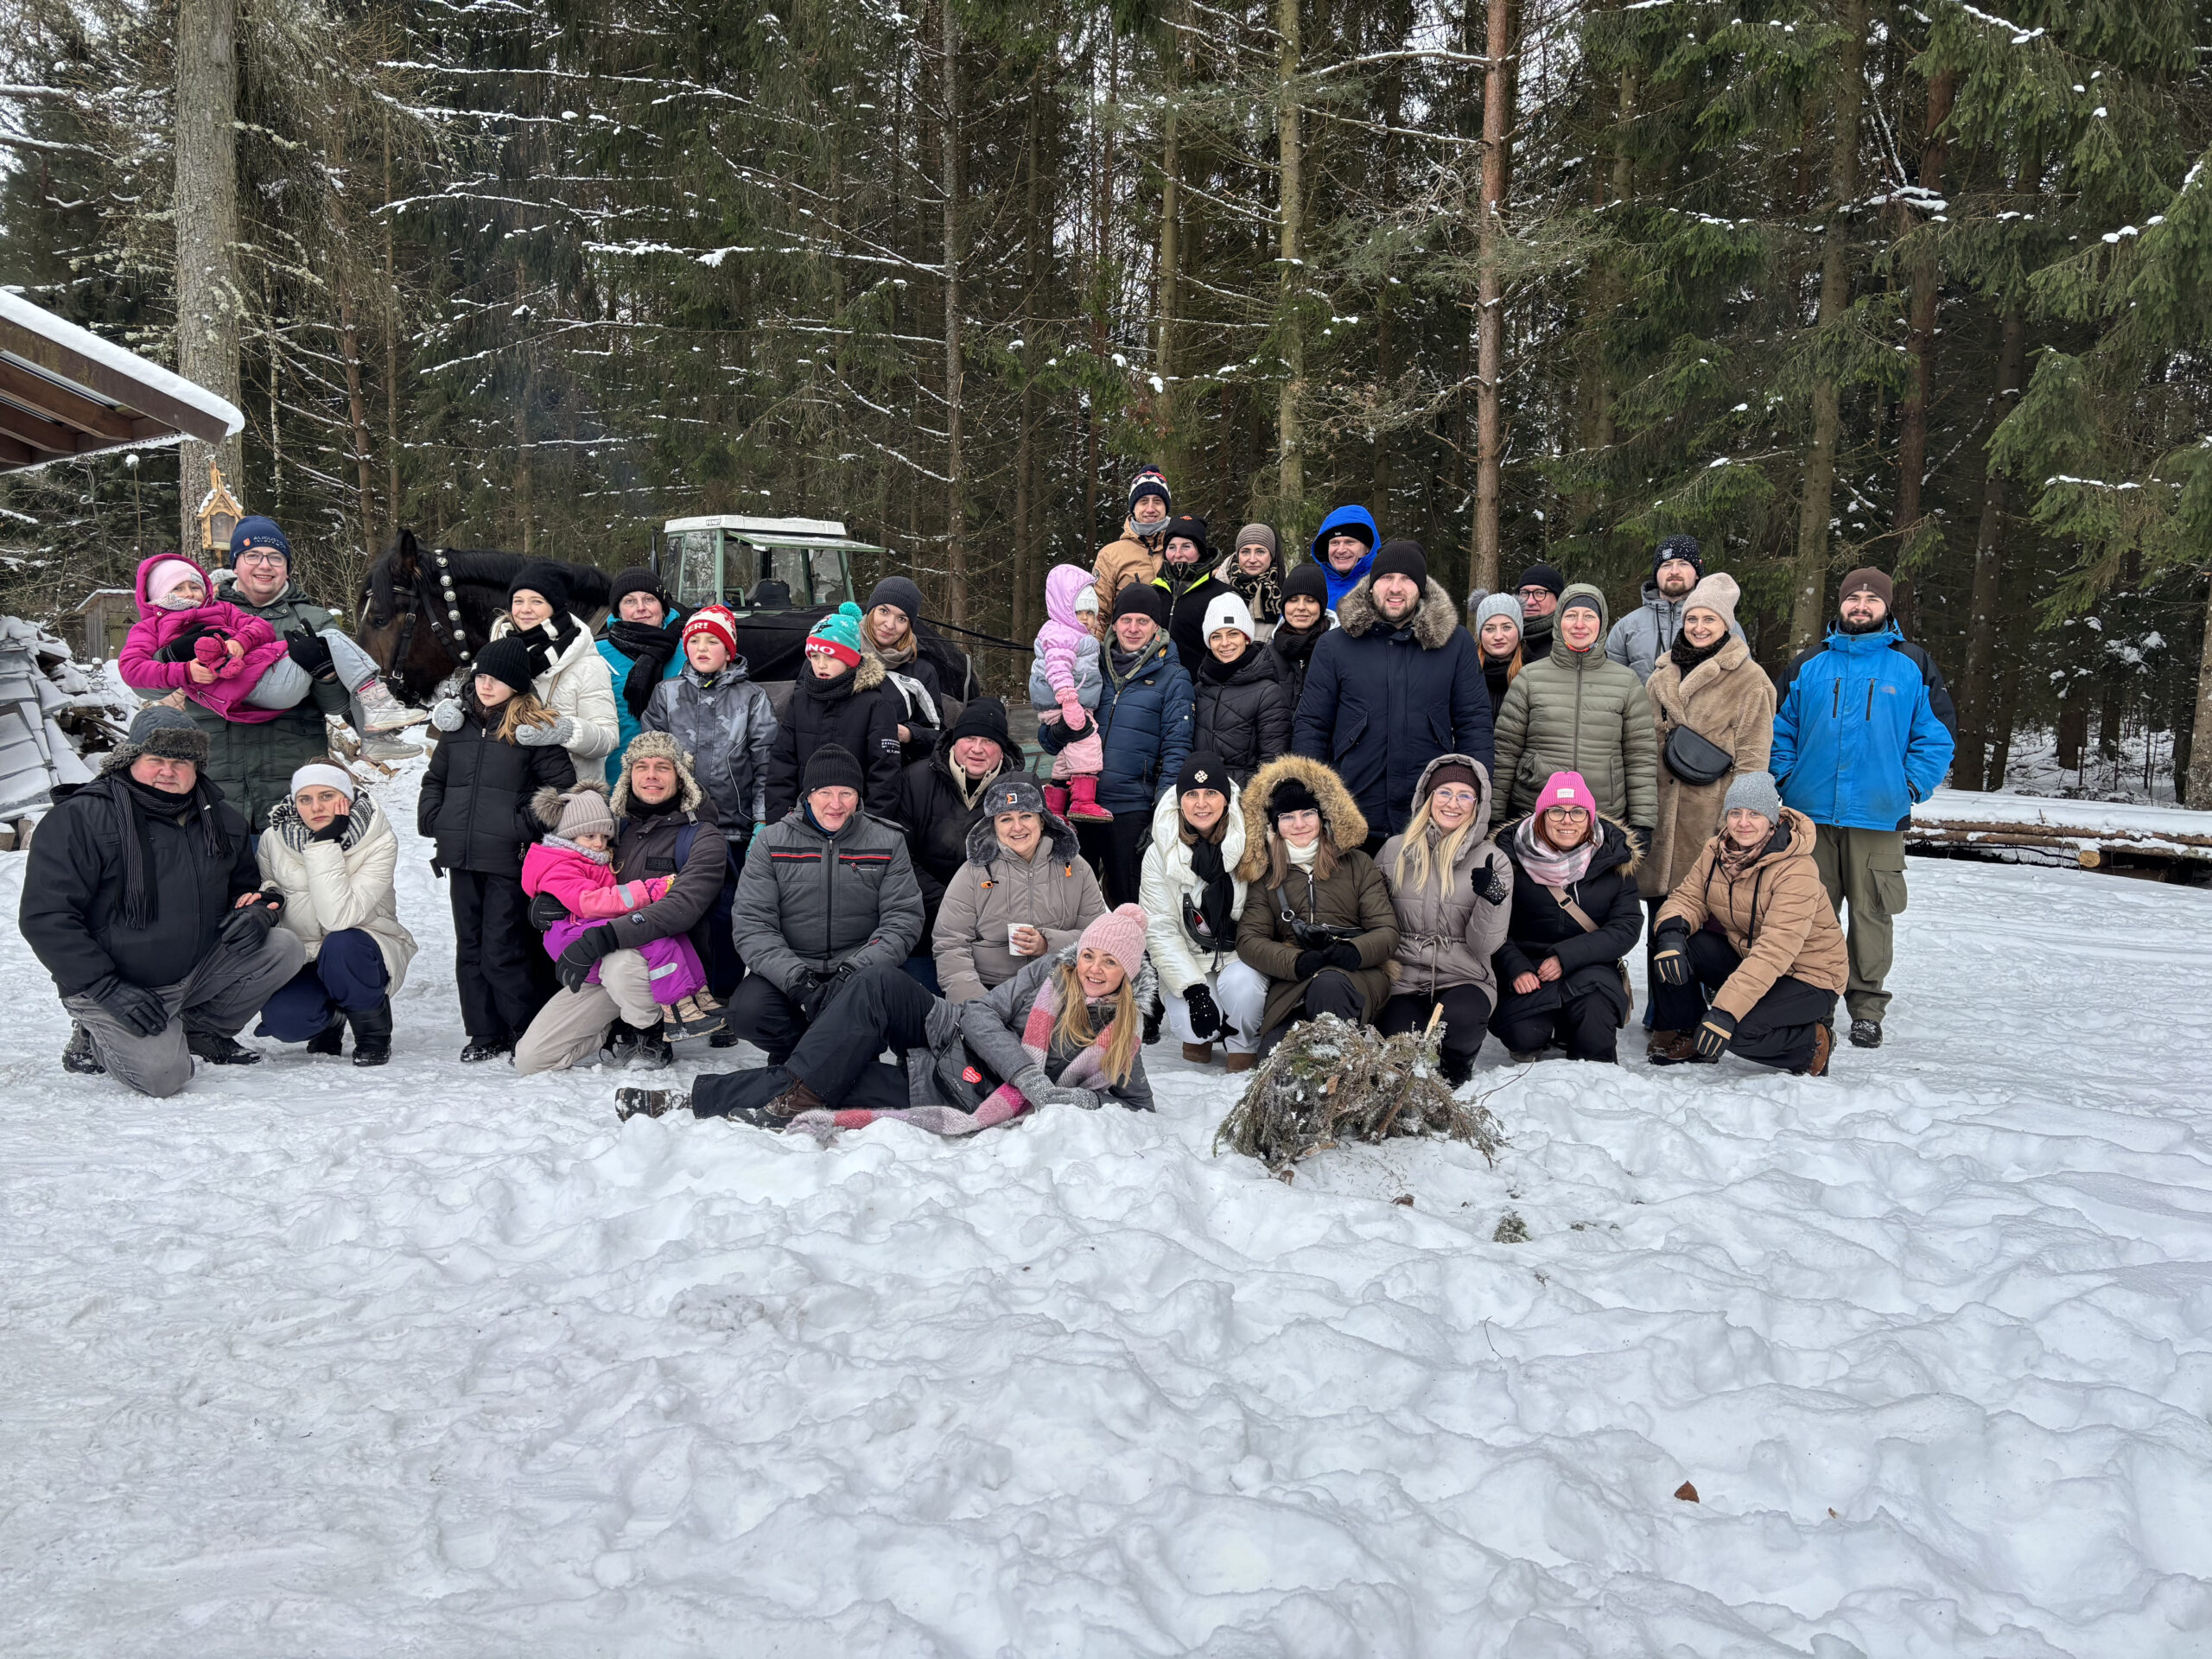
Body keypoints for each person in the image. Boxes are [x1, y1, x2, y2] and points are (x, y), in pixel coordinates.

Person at [633, 906, 1157, 1128]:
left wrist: (1078, 1098)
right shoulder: (1052, 970)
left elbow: (1138, 1107)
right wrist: (1029, 1076)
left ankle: (692, 1102)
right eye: (1089, 955)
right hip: (953, 1030)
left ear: (1128, 975)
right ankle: (800, 1083)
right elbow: (979, 1014)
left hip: (968, 1086)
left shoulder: (1121, 1036)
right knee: (878, 981)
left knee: (837, 1079)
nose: (1093, 968)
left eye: (1109, 962)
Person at [22, 704, 306, 1093]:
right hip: (117, 984)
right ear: (130, 760)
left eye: (181, 762)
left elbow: (245, 888)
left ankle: (202, 1029)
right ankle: (93, 1033)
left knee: (282, 946)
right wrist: (104, 987)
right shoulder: (80, 818)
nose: (168, 772)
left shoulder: (223, 820)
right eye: (156, 760)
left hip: (194, 970)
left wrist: (257, 911)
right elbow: (47, 917)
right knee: (164, 1077)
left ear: (197, 768)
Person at [1770, 566, 1955, 1050]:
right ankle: (1813, 998)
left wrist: (1908, 785)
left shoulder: (1911, 664)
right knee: (1811, 911)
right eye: (1854, 598)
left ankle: (1867, 1007)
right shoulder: (1810, 663)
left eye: (1872, 600)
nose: (1861, 606)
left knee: (1872, 913)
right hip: (1809, 814)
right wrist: (1786, 778)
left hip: (1878, 814)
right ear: (1841, 604)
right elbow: (1778, 728)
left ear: (1887, 607)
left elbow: (1936, 737)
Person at [512, 731, 730, 1074]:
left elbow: (683, 907)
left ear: (681, 776)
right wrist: (548, 902)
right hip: (602, 960)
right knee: (532, 1059)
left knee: (621, 963)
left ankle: (649, 1032)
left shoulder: (702, 836)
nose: (651, 775)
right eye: (641, 766)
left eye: (662, 767)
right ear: (628, 775)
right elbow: (573, 872)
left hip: (663, 962)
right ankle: (612, 1027)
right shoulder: (612, 829)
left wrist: (608, 935)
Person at [419, 635, 577, 1061]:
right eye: (481, 677)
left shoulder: (534, 732)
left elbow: (561, 792)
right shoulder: (458, 727)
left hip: (510, 859)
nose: (486, 685)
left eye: (497, 679)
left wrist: (518, 827)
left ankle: (525, 1028)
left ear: (517, 684)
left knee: (503, 949)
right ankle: (484, 1032)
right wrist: (436, 819)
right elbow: (435, 780)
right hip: (461, 857)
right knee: (469, 949)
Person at [163, 518, 378, 831]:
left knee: (299, 861)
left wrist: (325, 673)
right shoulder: (199, 613)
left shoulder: (315, 620)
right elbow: (146, 686)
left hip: (292, 778)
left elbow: (335, 706)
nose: (265, 565)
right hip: (215, 776)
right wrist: (171, 655)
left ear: (287, 568)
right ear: (235, 563)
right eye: (253, 555)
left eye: (276, 557)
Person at [726, 743, 925, 1064]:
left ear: (858, 797)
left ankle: (826, 1061)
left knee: (887, 1001)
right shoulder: (771, 841)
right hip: (792, 967)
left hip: (858, 968)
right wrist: (798, 982)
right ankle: (809, 1056)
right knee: (747, 1013)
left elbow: (903, 920)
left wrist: (853, 973)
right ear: (808, 796)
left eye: (846, 793)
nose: (836, 804)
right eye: (824, 793)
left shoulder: (887, 841)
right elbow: (753, 923)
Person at [1292, 539, 1493, 848]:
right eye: (1386, 577)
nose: (1395, 588)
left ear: (1421, 587)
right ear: (1372, 584)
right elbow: (1312, 726)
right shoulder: (1335, 645)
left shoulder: (1456, 644)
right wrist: (1310, 800)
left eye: (1406, 579)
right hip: (1353, 813)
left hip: (1430, 817)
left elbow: (1474, 724)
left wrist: (1472, 795)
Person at [1638, 572, 1775, 1017]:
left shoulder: (1750, 680)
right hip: (1661, 815)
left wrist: (1734, 827)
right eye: (1693, 618)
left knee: (1703, 921)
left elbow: (1753, 762)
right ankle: (1663, 1013)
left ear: (1726, 625)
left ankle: (1703, 1013)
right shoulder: (1662, 673)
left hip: (1709, 820)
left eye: (1709, 619)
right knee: (1660, 917)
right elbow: (1642, 744)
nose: (1699, 627)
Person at [1649, 771, 1844, 1077]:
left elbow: (1774, 951)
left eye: (1754, 814)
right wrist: (1672, 932)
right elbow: (1688, 898)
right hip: (1749, 958)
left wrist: (1725, 1011)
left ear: (1772, 819)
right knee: (1669, 943)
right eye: (1735, 813)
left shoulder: (1796, 870)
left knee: (1735, 1032)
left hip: (1807, 976)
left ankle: (1810, 1043)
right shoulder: (1716, 850)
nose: (1743, 823)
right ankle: (1691, 1032)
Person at [118, 551, 421, 739]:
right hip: (240, 700)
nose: (190, 594)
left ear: (288, 567)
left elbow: (259, 627)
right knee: (332, 640)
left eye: (194, 586)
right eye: (178, 588)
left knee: (331, 643)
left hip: (275, 691)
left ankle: (377, 731)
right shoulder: (150, 628)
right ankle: (379, 709)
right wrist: (179, 666)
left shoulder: (222, 610)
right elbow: (133, 672)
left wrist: (240, 641)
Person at [640, 602, 777, 996]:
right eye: (694, 640)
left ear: (729, 650)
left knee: (726, 913)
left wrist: (762, 820)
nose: (701, 648)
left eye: (712, 641)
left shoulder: (752, 698)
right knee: (676, 909)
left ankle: (726, 994)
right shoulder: (667, 694)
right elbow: (649, 759)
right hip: (677, 827)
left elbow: (766, 764)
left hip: (732, 829)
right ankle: (683, 993)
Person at [1037, 583, 1192, 907]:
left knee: (1129, 902)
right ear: (1114, 624)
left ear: (1156, 627)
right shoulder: (1088, 666)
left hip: (1131, 809)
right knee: (1071, 901)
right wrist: (1063, 729)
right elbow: (1048, 741)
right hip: (1079, 804)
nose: (1133, 629)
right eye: (1126, 620)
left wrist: (1161, 813)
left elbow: (1176, 751)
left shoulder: (1173, 677)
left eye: (1143, 621)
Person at [251, 761, 416, 1066]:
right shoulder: (273, 839)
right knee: (286, 1021)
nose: (316, 807)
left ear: (347, 797)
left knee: (342, 942)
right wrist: (269, 896)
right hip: (305, 952)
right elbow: (270, 882)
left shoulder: (377, 840)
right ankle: (331, 1020)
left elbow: (338, 918)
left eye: (327, 796)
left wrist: (325, 841)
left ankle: (373, 1035)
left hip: (362, 950)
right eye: (305, 799)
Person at [1232, 755, 1400, 1056]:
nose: (1299, 824)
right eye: (1287, 817)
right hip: (1296, 981)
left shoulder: (1358, 863)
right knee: (1273, 1053)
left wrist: (1354, 952)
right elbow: (1249, 940)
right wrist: (1295, 961)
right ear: (1275, 824)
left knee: (1329, 986)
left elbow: (1386, 931)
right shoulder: (1267, 873)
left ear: (1323, 816)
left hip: (1355, 974)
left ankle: (1343, 1064)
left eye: (1307, 813)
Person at [1376, 755, 1513, 1086]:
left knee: (1460, 1020)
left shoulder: (1492, 859)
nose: (1453, 803)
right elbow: (1376, 920)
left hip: (1464, 975)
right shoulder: (1394, 851)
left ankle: (1457, 1065)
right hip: (1404, 977)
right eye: (1445, 793)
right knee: (1399, 1044)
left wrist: (1492, 899)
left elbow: (1485, 945)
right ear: (1428, 798)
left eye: (1465, 795)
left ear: (1478, 805)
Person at [1489, 771, 1643, 1063]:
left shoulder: (1614, 857)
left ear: (1590, 817)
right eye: (1556, 811)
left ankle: (1577, 1034)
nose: (1567, 820)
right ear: (1541, 816)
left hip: (1591, 964)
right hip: (1529, 966)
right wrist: (1515, 968)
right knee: (1524, 1035)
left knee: (1594, 1034)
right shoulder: (1506, 858)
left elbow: (1626, 926)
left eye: (1577, 811)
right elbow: (1492, 924)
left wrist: (1566, 957)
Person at [1491, 582, 1657, 849]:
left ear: (1601, 623)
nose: (1580, 624)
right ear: (1559, 621)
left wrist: (1642, 822)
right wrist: (1495, 813)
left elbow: (1640, 756)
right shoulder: (1530, 677)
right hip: (1535, 810)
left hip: (1604, 814)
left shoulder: (1626, 682)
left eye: (1589, 616)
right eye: (1571, 615)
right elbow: (1505, 750)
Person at [1141, 753, 1268, 1070]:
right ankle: (1201, 1037)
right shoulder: (1159, 853)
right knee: (1189, 1021)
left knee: (1244, 987)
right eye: (1191, 794)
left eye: (1211, 792)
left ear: (1225, 799)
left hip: (1238, 954)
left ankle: (1243, 1044)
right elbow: (1160, 929)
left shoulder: (1250, 840)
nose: (1201, 804)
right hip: (1189, 956)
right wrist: (1195, 991)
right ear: (1179, 800)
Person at [932, 773, 1106, 1003]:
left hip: (1059, 987)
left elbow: (1097, 938)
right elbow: (950, 943)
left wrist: (1048, 943)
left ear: (1042, 820)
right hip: (991, 989)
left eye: (1026, 816)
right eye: (1005, 819)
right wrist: (977, 1005)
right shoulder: (973, 872)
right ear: (993, 826)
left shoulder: (1076, 867)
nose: (1017, 827)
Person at [897, 697, 1026, 987]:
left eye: (989, 741)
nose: (977, 749)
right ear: (955, 742)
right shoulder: (914, 780)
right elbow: (901, 858)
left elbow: (1026, 863)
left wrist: (983, 915)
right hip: (923, 924)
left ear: (1002, 749)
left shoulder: (1018, 792)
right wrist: (952, 905)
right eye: (969, 738)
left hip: (990, 931)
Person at [764, 601, 905, 824]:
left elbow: (885, 773)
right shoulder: (800, 701)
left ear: (850, 659)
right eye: (815, 656)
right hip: (803, 819)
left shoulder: (875, 705)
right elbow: (782, 764)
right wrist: (782, 821)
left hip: (855, 822)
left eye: (830, 656)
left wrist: (871, 825)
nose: (821, 664)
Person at [482, 560, 621, 782]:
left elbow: (608, 738)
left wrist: (564, 730)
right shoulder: (495, 651)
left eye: (537, 601)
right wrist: (456, 712)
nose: (525, 609)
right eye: (518, 601)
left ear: (555, 606)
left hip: (566, 790)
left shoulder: (586, 663)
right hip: (504, 785)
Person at [1030, 563, 1112, 823]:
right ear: (1065, 610)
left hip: (1066, 702)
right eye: (1079, 612)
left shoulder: (1071, 632)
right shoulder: (1061, 635)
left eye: (1090, 612)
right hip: (1065, 702)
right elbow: (1057, 669)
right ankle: (1083, 802)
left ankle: (1054, 808)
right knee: (1087, 740)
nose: (1086, 619)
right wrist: (1069, 701)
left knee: (1067, 754)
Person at [593, 566, 688, 787]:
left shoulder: (690, 651)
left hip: (680, 776)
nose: (641, 608)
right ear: (618, 611)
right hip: (616, 778)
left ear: (663, 607)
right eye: (630, 601)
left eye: (649, 599)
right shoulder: (597, 654)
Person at [1191, 591, 1294, 785]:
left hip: (1245, 794)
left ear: (1246, 638)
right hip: (1202, 794)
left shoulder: (1268, 693)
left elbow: (1273, 765)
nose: (1225, 643)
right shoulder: (1199, 690)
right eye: (1216, 636)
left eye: (1233, 634)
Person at [1607, 535, 1741, 682]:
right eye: (1666, 565)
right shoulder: (1626, 627)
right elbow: (1612, 684)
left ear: (1697, 573)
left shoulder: (1723, 624)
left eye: (1683, 564)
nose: (1674, 571)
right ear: (1656, 574)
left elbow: (1744, 680)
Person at [860, 575, 944, 767]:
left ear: (909, 625)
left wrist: (909, 734)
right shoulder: (838, 652)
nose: (890, 625)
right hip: (836, 775)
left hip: (892, 773)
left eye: (901, 618)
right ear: (871, 611)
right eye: (884, 611)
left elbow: (938, 736)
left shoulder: (922, 671)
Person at [1153, 515, 1233, 674]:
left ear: (1200, 551)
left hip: (1202, 684)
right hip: (1155, 683)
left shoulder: (1223, 596)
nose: (1178, 554)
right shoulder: (1154, 593)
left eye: (1186, 546)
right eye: (1171, 547)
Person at [1090, 464, 1174, 613]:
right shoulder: (1110, 555)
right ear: (1133, 508)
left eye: (1157, 501)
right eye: (1143, 501)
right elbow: (1098, 613)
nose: (1150, 509)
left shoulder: (1185, 548)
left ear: (1166, 507)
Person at [1268, 562, 1334, 707]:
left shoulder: (1338, 650)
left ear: (1321, 606)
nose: (1301, 607)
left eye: (1310, 600)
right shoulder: (1268, 654)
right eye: (1293, 600)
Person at [1309, 504, 1379, 611]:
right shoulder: (1311, 585)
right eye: (1335, 543)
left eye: (1350, 542)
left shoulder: (1383, 587)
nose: (1341, 550)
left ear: (1368, 548)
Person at [1218, 524, 1283, 634]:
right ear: (1238, 555)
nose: (1252, 559)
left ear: (1271, 555)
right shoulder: (1216, 589)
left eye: (1260, 552)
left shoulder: (1285, 589)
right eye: (1245, 552)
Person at [1514, 563, 1565, 664]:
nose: (1530, 602)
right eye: (1524, 593)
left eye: (1540, 593)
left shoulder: (1570, 642)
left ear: (1558, 599)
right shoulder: (1502, 638)